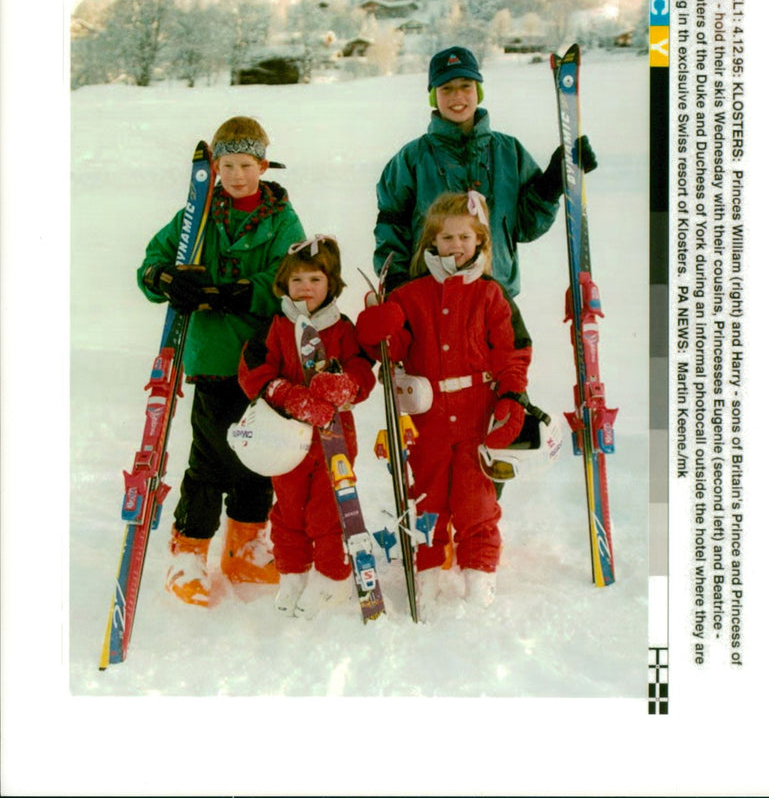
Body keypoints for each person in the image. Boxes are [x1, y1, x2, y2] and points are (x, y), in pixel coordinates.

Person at [137, 116, 305, 606]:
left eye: (246, 165)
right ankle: (188, 552)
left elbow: (291, 274)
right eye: (227, 165)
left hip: (262, 359)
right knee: (210, 459)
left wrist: (240, 292)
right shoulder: (198, 213)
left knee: (259, 456)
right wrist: (167, 279)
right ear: (213, 167)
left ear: (263, 165)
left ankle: (246, 545)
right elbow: (152, 261)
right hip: (211, 356)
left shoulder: (281, 219)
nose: (236, 176)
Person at [357, 190, 531, 615]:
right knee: (427, 498)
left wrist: (511, 395)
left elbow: (511, 351)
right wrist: (379, 324)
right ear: (431, 241)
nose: (455, 245)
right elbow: (392, 349)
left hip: (477, 416)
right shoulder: (410, 294)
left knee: (477, 502)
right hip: (427, 418)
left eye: (465, 237)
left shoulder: (492, 294)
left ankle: (479, 576)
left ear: (480, 243)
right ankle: (428, 571)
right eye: (446, 237)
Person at [373, 45, 597, 294]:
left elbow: (526, 227)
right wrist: (397, 281)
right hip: (431, 299)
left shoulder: (509, 152)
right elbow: (390, 228)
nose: (457, 96)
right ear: (433, 96)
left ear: (478, 91)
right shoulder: (411, 159)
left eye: (466, 85)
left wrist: (551, 184)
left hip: (497, 297)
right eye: (446, 88)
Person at [238, 236, 376, 619]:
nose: (306, 288)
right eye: (297, 280)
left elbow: (362, 368)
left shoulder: (342, 327)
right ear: (285, 283)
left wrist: (347, 384)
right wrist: (287, 395)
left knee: (327, 512)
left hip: (334, 440)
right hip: (287, 440)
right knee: (289, 512)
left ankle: (333, 579)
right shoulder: (276, 324)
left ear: (330, 283)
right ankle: (293, 574)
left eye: (315, 279)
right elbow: (253, 369)